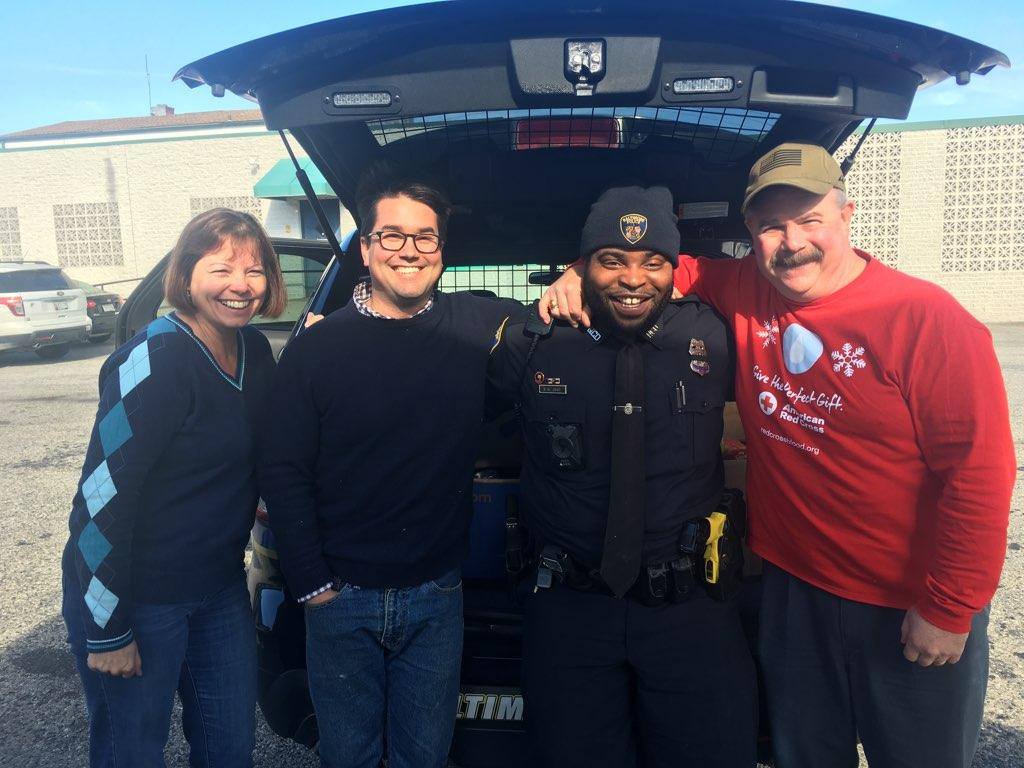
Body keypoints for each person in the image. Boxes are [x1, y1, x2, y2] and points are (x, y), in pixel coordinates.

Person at [542, 145, 1016, 768]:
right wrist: (582, 269)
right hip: (793, 595)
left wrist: (950, 607)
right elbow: (663, 267)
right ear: (751, 235)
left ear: (848, 216)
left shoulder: (927, 320)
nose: (791, 243)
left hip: (903, 603)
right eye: (770, 226)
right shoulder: (747, 289)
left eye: (810, 220)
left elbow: (979, 474)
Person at [258, 173, 525, 768]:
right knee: (348, 757)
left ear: (441, 250)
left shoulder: (473, 325)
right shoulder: (316, 349)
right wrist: (311, 583)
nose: (409, 250)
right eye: (392, 235)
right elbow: (283, 466)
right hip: (341, 597)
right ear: (366, 248)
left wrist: (577, 278)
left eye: (425, 238)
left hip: (437, 594)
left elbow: (546, 322)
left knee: (422, 758)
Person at [489, 185, 757, 768]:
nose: (633, 279)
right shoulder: (532, 340)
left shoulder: (713, 334)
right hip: (569, 609)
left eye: (651, 262)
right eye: (613, 261)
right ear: (587, 266)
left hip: (689, 608)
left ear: (674, 269)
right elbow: (443, 412)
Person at [61, 208, 286, 768]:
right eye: (222, 269)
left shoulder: (254, 352)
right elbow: (98, 505)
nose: (240, 286)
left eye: (254, 271)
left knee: (229, 746)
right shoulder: (156, 357)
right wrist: (109, 630)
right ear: (186, 275)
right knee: (131, 752)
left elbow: (262, 449)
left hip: (216, 589)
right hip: (140, 596)